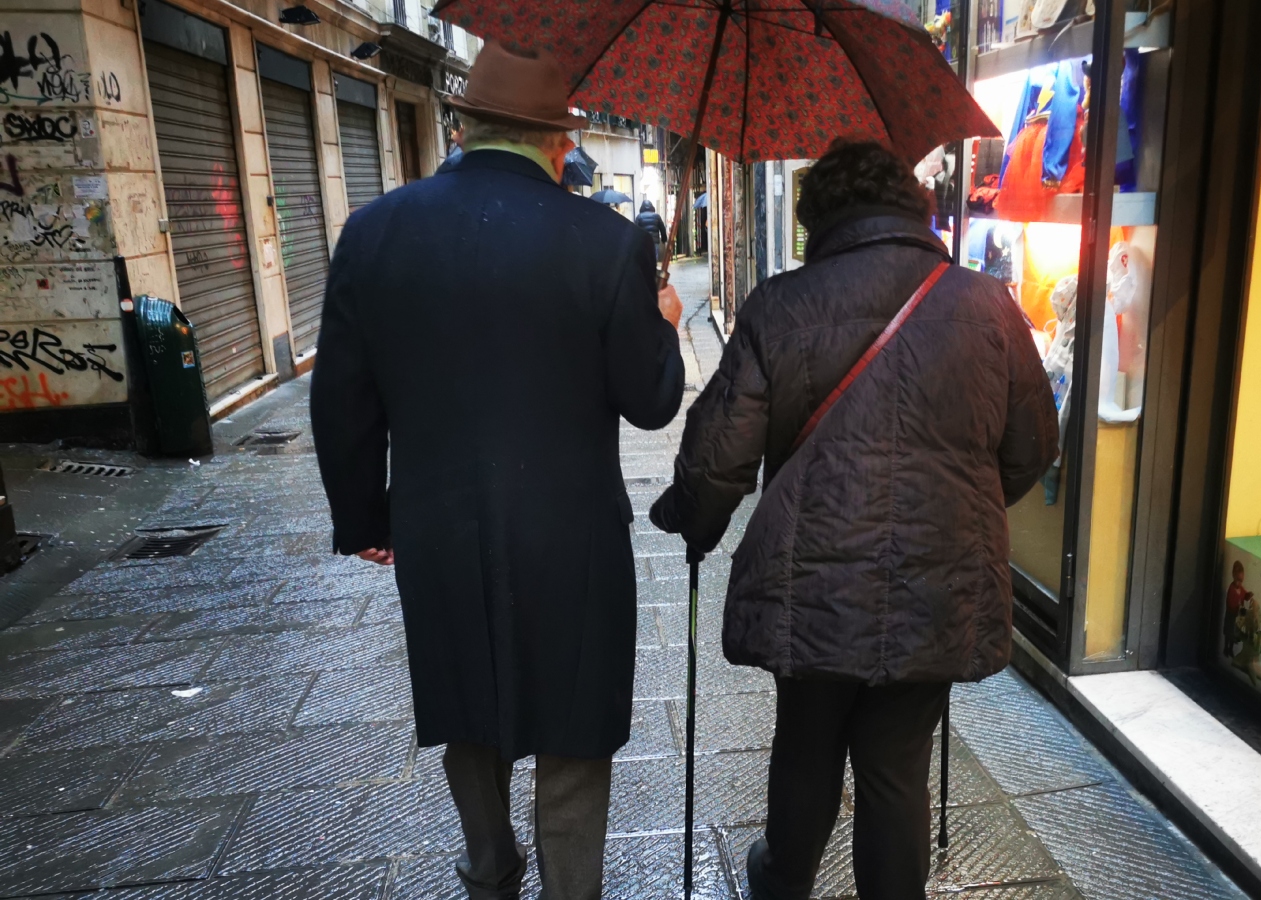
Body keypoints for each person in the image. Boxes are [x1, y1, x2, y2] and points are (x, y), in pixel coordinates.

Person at [311, 42, 685, 900]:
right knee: (575, 721)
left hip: (440, 526)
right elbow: (651, 401)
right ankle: (570, 887)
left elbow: (342, 397)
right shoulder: (605, 242)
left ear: (460, 126)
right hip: (573, 531)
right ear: (560, 142)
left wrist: (365, 516)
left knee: (464, 701)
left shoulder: (374, 232)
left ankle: (489, 866)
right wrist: (663, 325)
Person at [649, 139, 1057, 900]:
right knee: (896, 767)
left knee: (805, 747)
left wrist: (691, 521)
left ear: (817, 219)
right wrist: (954, 512)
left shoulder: (781, 303)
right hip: (934, 593)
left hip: (814, 587)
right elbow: (1034, 445)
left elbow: (721, 457)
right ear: (917, 210)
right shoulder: (987, 305)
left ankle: (782, 882)